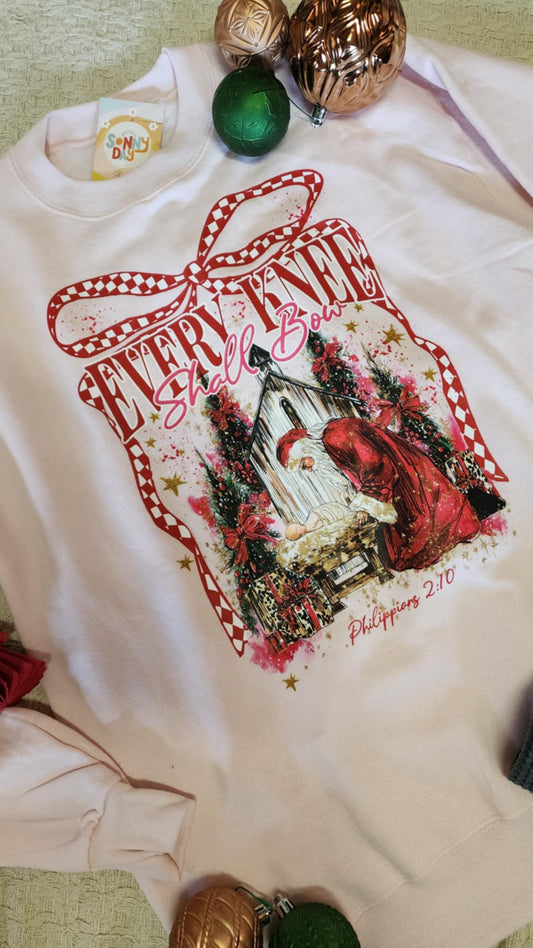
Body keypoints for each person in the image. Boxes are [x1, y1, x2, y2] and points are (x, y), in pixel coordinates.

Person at [276, 418, 480, 571]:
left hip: (403, 476)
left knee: (418, 536)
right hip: (391, 484)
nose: (309, 469)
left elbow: (377, 465)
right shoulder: (329, 443)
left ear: (307, 448)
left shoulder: (337, 437)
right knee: (395, 555)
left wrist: (365, 506)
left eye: (304, 464)